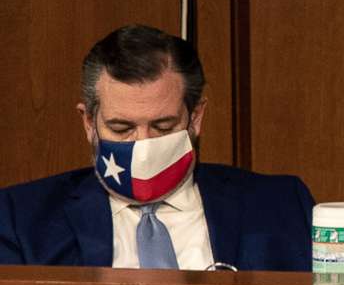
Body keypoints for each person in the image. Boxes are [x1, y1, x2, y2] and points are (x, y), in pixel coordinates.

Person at [0, 24, 313, 271]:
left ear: (196, 118)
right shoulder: (22, 219)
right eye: (122, 129)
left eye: (163, 127)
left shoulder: (282, 205)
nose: (144, 145)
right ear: (88, 122)